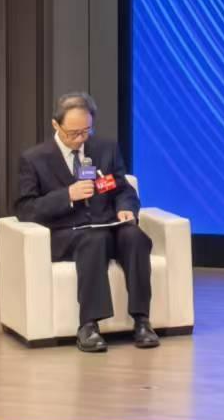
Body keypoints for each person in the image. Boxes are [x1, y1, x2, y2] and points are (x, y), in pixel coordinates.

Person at [14, 92, 158, 354]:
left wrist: (126, 209)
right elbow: (25, 209)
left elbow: (122, 188)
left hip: (107, 226)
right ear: (56, 125)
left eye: (86, 131)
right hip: (68, 234)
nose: (81, 139)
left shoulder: (105, 149)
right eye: (73, 133)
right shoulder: (35, 159)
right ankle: (89, 326)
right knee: (94, 240)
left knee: (135, 237)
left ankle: (142, 321)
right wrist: (67, 195)